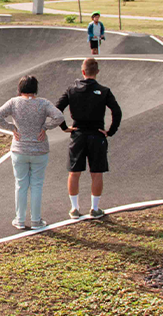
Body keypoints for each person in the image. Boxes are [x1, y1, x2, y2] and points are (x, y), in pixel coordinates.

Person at [0, 76, 65, 230]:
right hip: (39, 149)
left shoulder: (14, 102)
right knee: (37, 185)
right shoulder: (43, 103)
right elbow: (59, 116)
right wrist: (45, 127)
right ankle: (36, 221)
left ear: (20, 89)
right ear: (35, 89)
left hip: (19, 149)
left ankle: (19, 220)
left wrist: (11, 127)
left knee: (21, 185)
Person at [55, 58, 121, 219]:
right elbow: (117, 112)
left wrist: (64, 127)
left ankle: (74, 208)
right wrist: (110, 131)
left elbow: (56, 109)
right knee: (97, 172)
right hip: (97, 135)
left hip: (77, 134)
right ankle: (95, 208)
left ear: (83, 71)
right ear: (97, 72)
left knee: (74, 172)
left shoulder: (71, 90)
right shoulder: (104, 91)